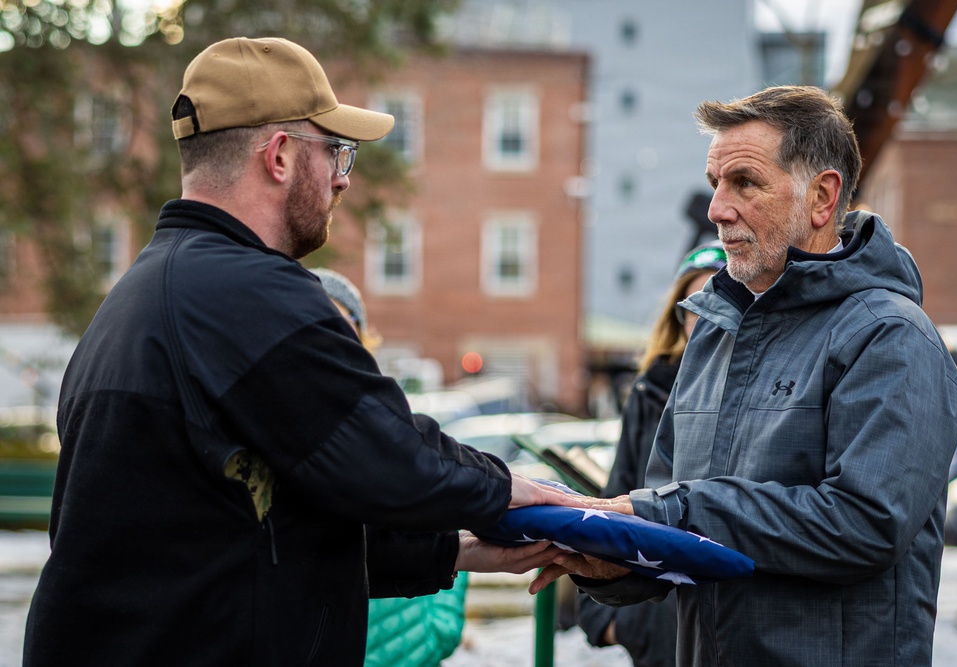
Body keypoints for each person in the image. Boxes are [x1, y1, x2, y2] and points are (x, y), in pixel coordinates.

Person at [22, 37, 607, 667]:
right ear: (278, 156)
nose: (343, 179)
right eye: (337, 151)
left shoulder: (147, 293)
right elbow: (389, 452)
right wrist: (540, 498)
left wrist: (453, 549)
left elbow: (255, 527)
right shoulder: (248, 292)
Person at [532, 85, 957, 666]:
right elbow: (673, 514)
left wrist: (673, 515)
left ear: (821, 196)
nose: (717, 208)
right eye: (715, 182)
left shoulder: (890, 337)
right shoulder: (713, 333)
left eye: (745, 182)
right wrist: (618, 562)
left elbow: (867, 525)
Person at [576, 241, 726, 667]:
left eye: (718, 296)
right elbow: (616, 496)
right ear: (676, 321)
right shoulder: (650, 392)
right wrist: (616, 624)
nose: (705, 316)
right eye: (693, 305)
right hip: (657, 631)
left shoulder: (767, 394)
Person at [310, 267, 469, 667]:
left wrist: (438, 630)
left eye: (342, 323)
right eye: (315, 320)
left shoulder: (392, 424)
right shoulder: (279, 431)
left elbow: (447, 508)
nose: (329, 336)